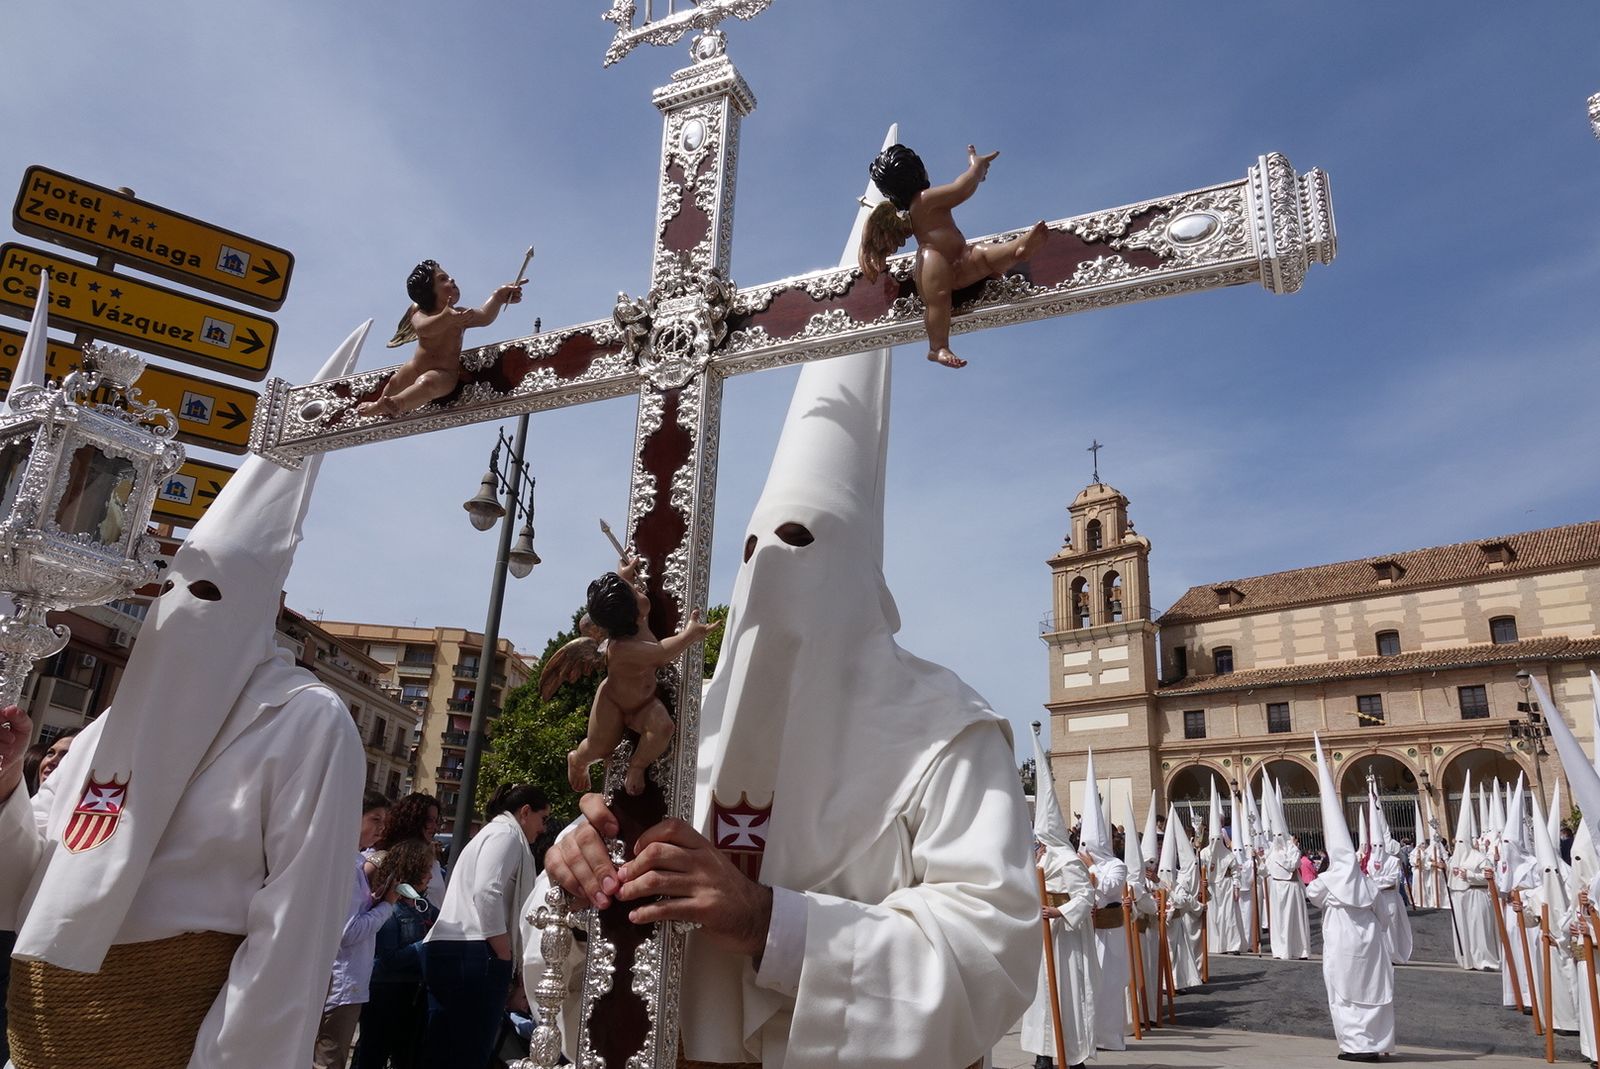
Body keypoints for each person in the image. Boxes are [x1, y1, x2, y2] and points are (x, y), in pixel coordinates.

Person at [535, 161, 1037, 1068]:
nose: (774, 571)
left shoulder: (948, 730)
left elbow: (991, 957)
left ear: (856, 566)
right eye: (754, 551)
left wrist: (775, 921)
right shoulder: (690, 717)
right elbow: (620, 871)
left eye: (802, 542)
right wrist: (582, 855)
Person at [0, 323, 374, 1069]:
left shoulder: (305, 723)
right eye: (169, 586)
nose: (180, 606)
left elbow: (295, 939)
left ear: (266, 605)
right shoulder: (118, 721)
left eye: (206, 592)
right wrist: (6, 783)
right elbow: (22, 885)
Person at [859, 142, 1048, 368]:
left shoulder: (916, 205)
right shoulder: (925, 199)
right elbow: (962, 188)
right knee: (938, 300)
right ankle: (937, 347)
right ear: (919, 171)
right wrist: (975, 167)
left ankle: (1016, 250)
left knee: (982, 254)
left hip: (960, 257)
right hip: (935, 261)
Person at [552, 555, 715, 794]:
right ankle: (578, 759)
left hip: (642, 703)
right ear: (629, 614)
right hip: (613, 702)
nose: (639, 591)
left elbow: (622, 589)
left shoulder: (631, 617)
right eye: (633, 592)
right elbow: (660, 653)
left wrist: (624, 574)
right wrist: (689, 635)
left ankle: (637, 765)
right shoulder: (622, 648)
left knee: (663, 728)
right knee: (599, 748)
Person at [422, 783, 548, 1069]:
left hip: (453, 947)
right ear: (525, 812)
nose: (542, 829)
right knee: (469, 1052)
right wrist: (505, 955)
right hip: (476, 952)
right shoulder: (506, 834)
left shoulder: (492, 834)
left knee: (442, 1049)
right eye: (543, 818)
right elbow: (487, 892)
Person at [1306, 737, 1395, 1061]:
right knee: (1373, 989)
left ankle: (1355, 1045)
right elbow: (1384, 917)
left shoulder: (1327, 882)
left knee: (1344, 992)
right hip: (1369, 939)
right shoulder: (1367, 883)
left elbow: (1312, 895)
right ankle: (1375, 1043)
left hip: (1341, 940)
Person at [358, 260, 525, 418]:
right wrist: (446, 317)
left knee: (427, 383)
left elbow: (484, 317)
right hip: (417, 366)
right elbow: (424, 329)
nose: (451, 279)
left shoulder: (460, 315)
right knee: (396, 381)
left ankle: (398, 403)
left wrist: (498, 297)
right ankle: (379, 405)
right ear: (429, 292)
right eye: (443, 279)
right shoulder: (421, 314)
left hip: (444, 373)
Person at [315, 791, 399, 1069]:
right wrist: (387, 905)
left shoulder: (353, 862)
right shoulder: (348, 868)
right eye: (374, 819)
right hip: (342, 983)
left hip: (347, 982)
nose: (380, 827)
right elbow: (348, 932)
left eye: (383, 821)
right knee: (329, 1060)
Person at [357, 838, 439, 1069]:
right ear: (411, 870)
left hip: (412, 994)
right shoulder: (389, 908)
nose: (431, 876)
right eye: (425, 870)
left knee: (406, 1056)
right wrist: (427, 944)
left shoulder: (421, 904)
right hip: (385, 994)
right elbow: (386, 961)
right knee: (373, 1055)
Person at [1020, 841, 1095, 1069]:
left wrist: (1060, 911)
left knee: (1067, 993)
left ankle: (1072, 1055)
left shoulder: (1069, 861)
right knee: (1041, 997)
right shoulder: (1037, 859)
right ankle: (1043, 1054)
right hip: (1042, 935)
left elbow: (1085, 896)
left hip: (1065, 937)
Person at [371, 791, 447, 908]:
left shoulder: (433, 861)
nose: (434, 827)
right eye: (429, 820)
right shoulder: (383, 858)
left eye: (436, 821)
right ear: (413, 819)